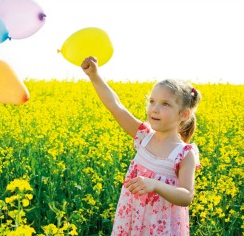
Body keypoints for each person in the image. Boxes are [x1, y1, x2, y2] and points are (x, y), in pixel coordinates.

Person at [81, 56, 202, 235]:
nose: (155, 108)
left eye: (165, 104)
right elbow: (115, 106)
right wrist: (94, 76)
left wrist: (155, 184)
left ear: (183, 114)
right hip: (131, 219)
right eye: (152, 101)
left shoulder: (184, 153)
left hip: (161, 227)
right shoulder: (143, 136)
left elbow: (186, 196)